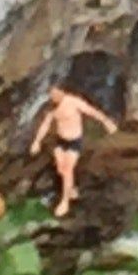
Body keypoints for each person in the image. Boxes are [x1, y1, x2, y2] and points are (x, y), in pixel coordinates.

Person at [29, 84, 119, 217]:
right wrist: (37, 141)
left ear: (62, 91)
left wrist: (106, 122)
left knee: (67, 170)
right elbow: (45, 125)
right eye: (52, 95)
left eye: (56, 93)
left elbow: (91, 111)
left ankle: (65, 202)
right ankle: (70, 189)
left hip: (74, 142)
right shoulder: (52, 109)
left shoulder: (73, 101)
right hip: (61, 141)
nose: (54, 97)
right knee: (60, 169)